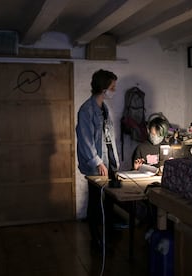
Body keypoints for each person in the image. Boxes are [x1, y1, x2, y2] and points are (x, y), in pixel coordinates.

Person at [76, 69, 120, 250]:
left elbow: (108, 137)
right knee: (95, 201)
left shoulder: (105, 108)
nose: (114, 90)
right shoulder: (86, 110)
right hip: (96, 164)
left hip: (108, 161)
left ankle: (108, 235)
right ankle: (95, 239)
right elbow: (85, 139)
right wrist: (98, 162)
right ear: (103, 88)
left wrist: (113, 161)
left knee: (110, 200)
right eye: (112, 87)